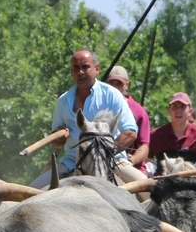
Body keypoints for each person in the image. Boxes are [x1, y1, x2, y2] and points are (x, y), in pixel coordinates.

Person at [32, 49, 140, 188]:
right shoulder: (63, 101)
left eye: (85, 67)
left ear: (97, 69)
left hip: (114, 161)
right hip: (72, 161)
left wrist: (104, 153)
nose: (80, 72)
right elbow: (56, 141)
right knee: (28, 193)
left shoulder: (112, 95)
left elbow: (130, 132)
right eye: (76, 68)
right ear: (71, 71)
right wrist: (60, 137)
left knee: (153, 193)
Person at [149, 92, 196, 179]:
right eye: (174, 107)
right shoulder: (156, 135)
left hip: (191, 186)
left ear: (190, 111)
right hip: (160, 185)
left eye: (183, 107)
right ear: (168, 110)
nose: (178, 111)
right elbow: (142, 160)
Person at [103, 66, 150, 174]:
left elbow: (144, 146)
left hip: (129, 165)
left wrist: (132, 159)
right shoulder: (99, 105)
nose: (115, 87)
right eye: (111, 83)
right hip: (99, 160)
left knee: (150, 190)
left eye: (119, 84)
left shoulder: (139, 112)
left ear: (127, 85)